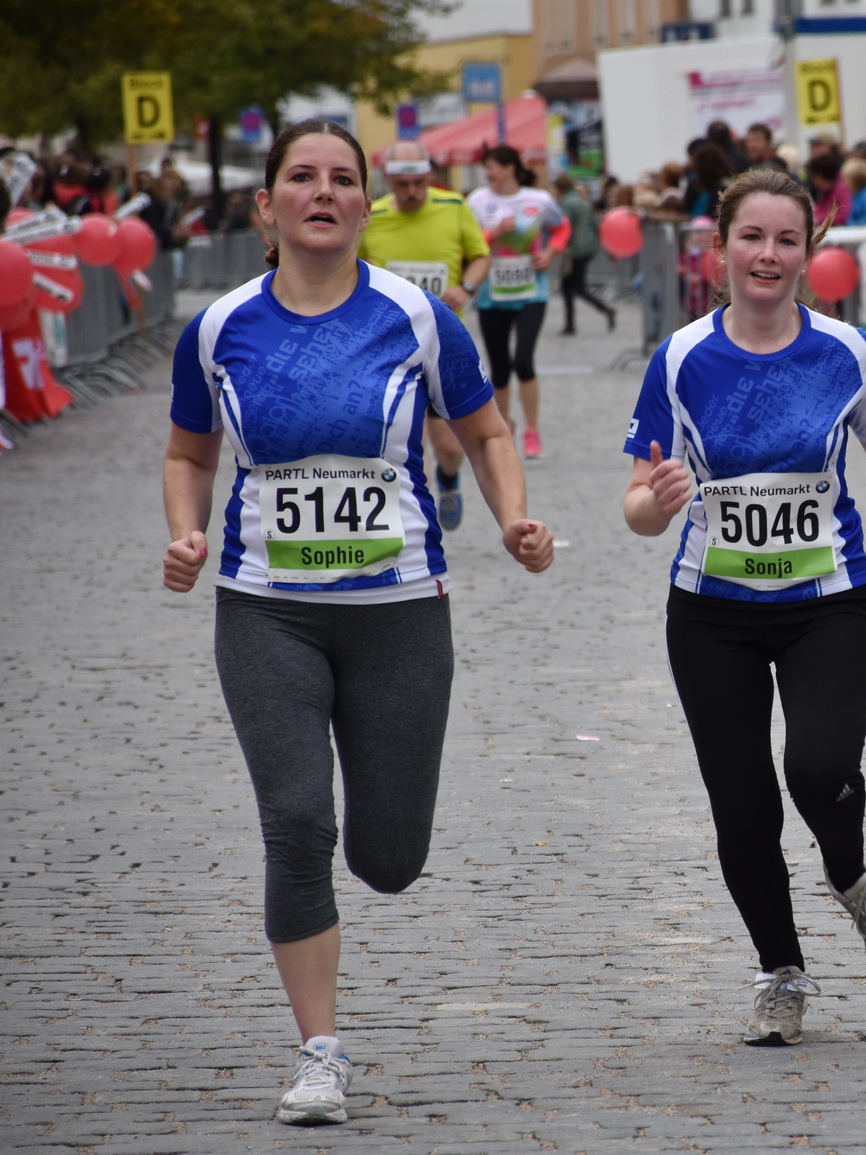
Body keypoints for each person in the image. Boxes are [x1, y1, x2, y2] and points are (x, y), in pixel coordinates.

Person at [161, 119, 553, 1127]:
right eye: (302, 176)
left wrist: (512, 515)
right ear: (266, 206)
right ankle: (319, 1052)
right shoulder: (219, 329)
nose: (323, 192)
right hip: (265, 612)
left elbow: (487, 428)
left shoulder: (418, 320)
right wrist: (186, 533)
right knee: (297, 822)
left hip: (398, 616)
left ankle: (373, 873)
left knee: (387, 856)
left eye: (344, 179)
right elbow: (189, 454)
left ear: (366, 204)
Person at [621, 167, 866, 1047]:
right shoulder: (680, 359)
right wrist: (656, 503)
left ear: (809, 252)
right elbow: (635, 500)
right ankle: (781, 968)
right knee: (742, 806)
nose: (768, 254)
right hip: (710, 609)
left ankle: (852, 878)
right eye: (752, 237)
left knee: (818, 769)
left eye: (787, 239)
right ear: (719, 250)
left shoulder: (846, 352)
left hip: (828, 599)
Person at [358, 140, 492, 531]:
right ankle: (413, 522)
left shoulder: (454, 209)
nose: (412, 193)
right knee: (398, 441)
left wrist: (466, 287)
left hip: (442, 343)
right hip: (387, 347)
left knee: (450, 448)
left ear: (430, 176)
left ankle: (448, 475)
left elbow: (481, 255)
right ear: (388, 181)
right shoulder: (373, 216)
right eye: (402, 185)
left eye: (418, 183)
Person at [468, 145, 570, 460]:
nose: (488, 174)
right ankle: (504, 428)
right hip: (492, 295)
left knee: (523, 361)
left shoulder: (538, 200)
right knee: (499, 368)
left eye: (493, 167)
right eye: (486, 168)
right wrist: (493, 234)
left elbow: (562, 226)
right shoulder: (477, 201)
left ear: (511, 168)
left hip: (531, 292)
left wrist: (550, 253)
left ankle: (532, 431)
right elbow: (469, 244)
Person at [552, 172, 617, 336]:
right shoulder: (583, 200)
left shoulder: (566, 202)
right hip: (588, 248)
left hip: (575, 250)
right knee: (568, 287)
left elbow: (563, 227)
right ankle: (570, 324)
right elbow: (596, 224)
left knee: (576, 287)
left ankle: (605, 309)